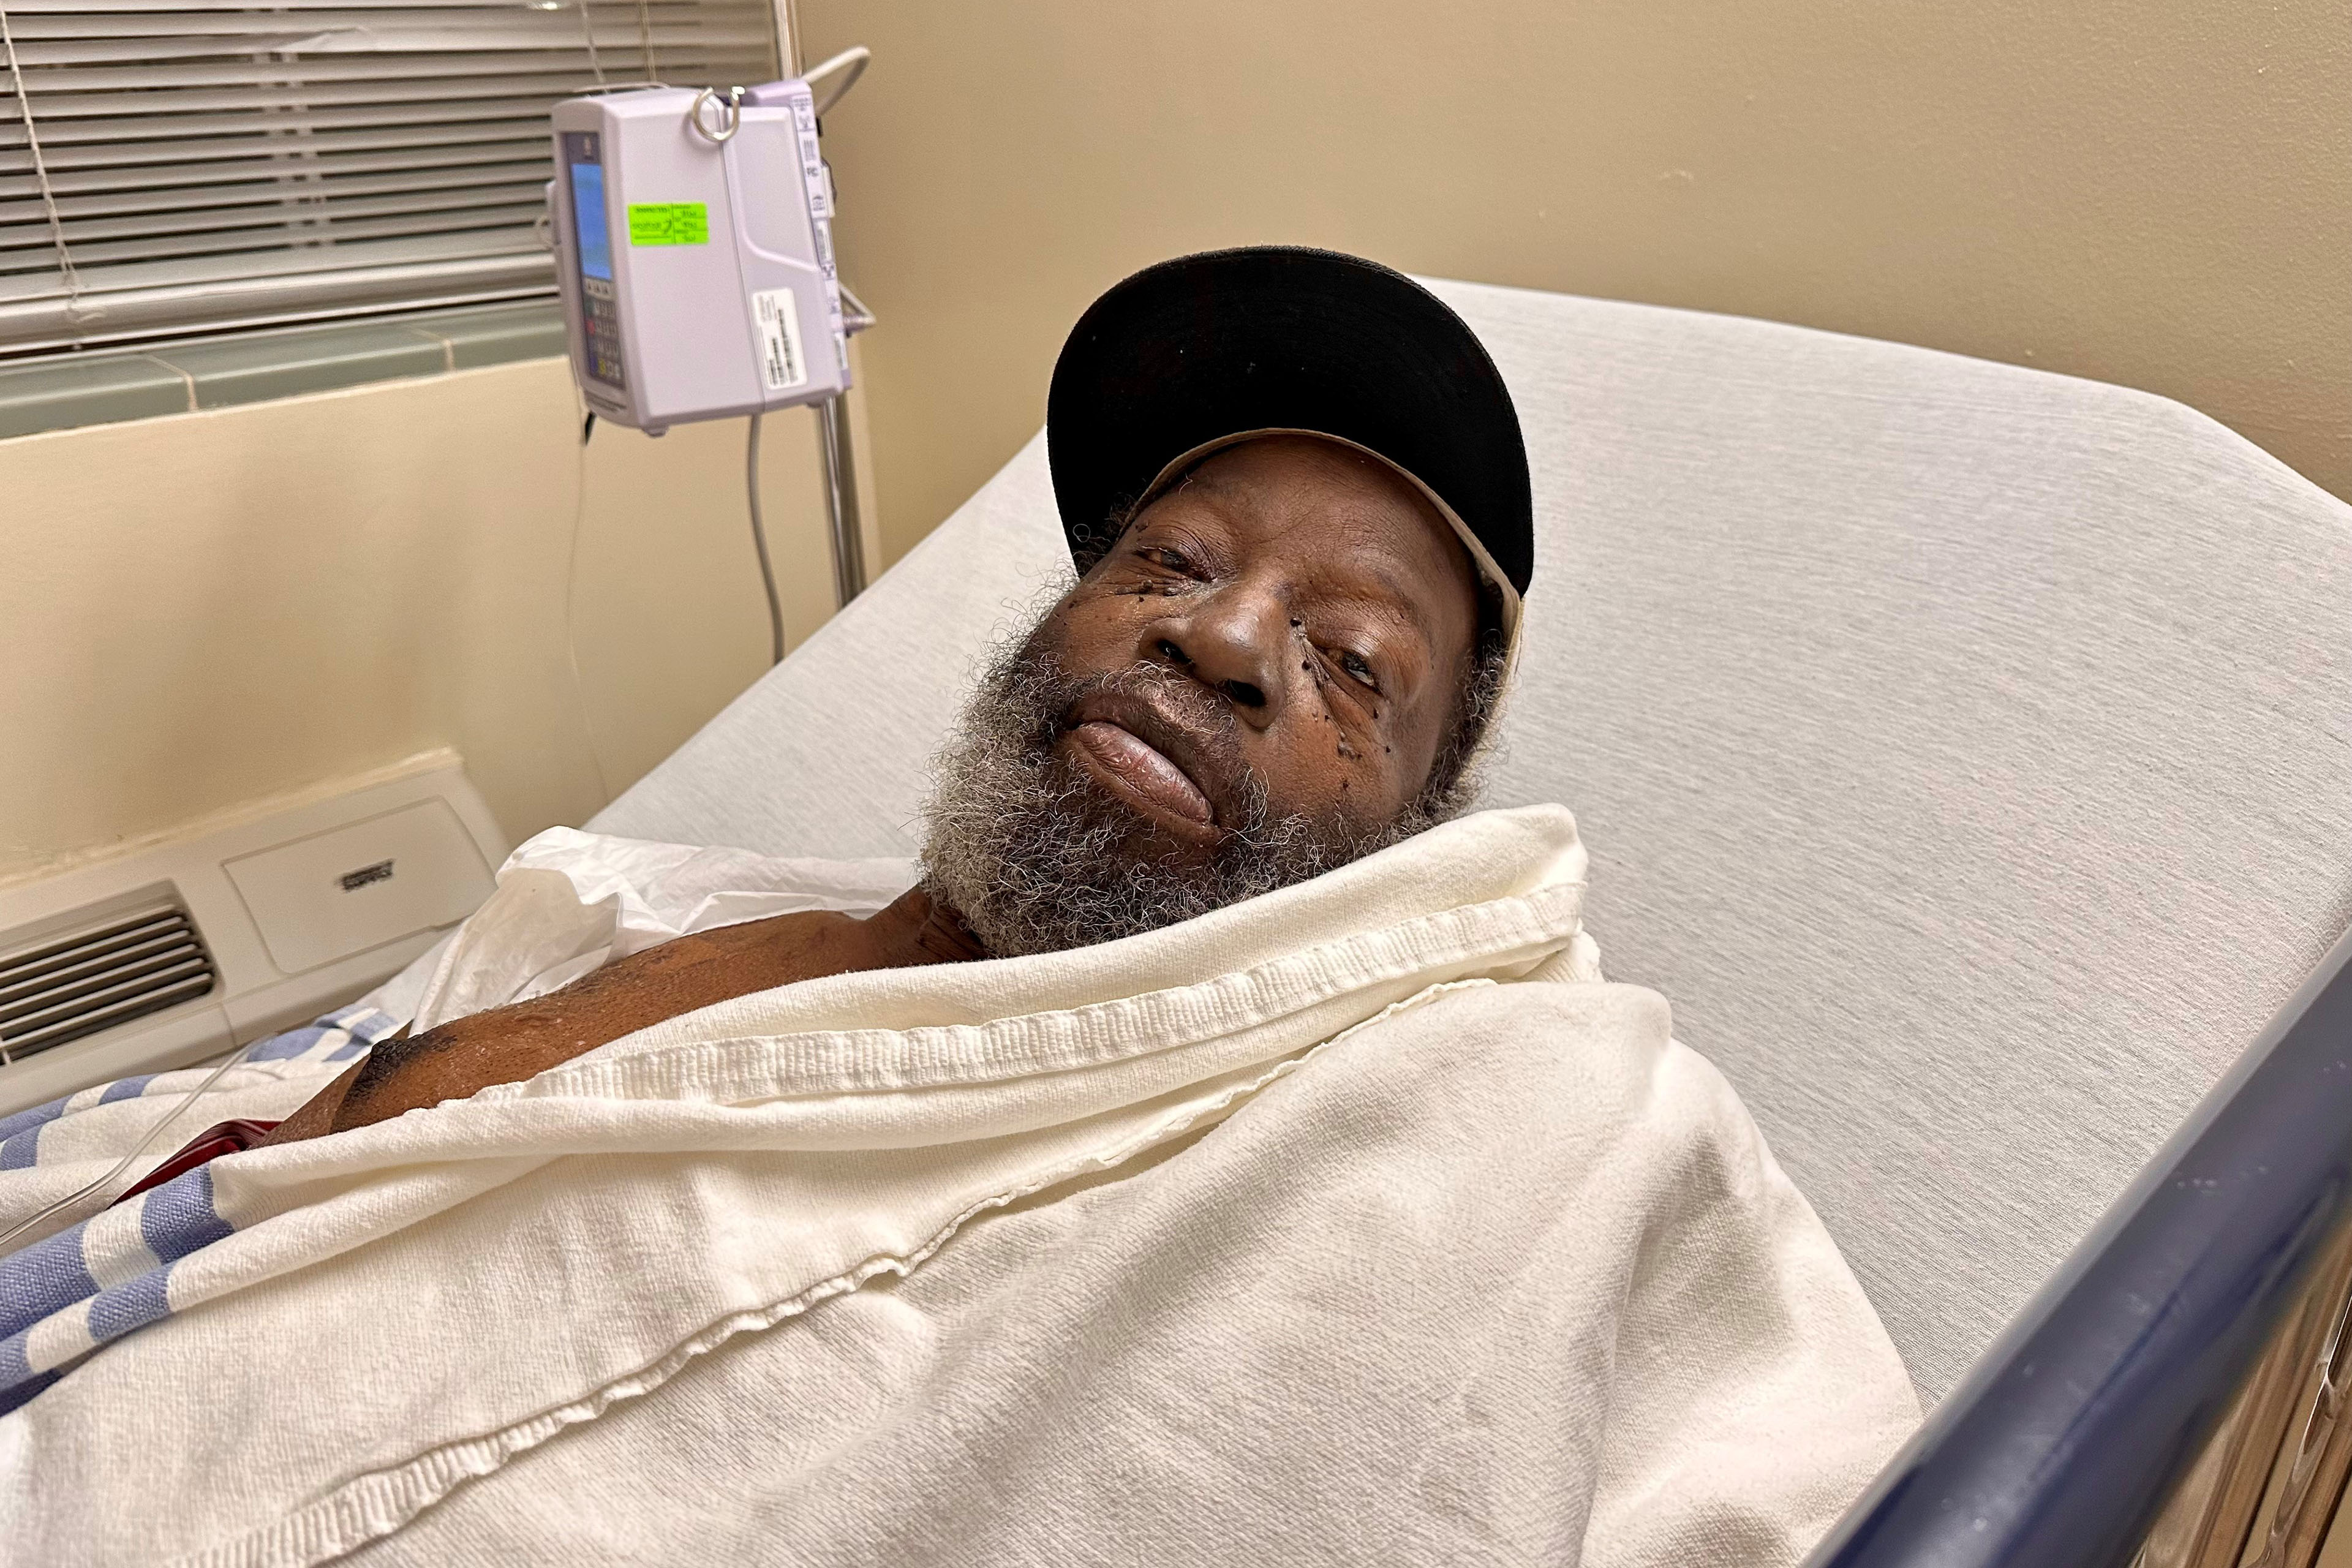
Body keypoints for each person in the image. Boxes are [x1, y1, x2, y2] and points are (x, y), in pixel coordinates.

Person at [0, 249, 1917, 1567]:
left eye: (1351, 664)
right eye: (1172, 556)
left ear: (1412, 840)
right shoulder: (651, 894)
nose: (1226, 634)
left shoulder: (1518, 1108)